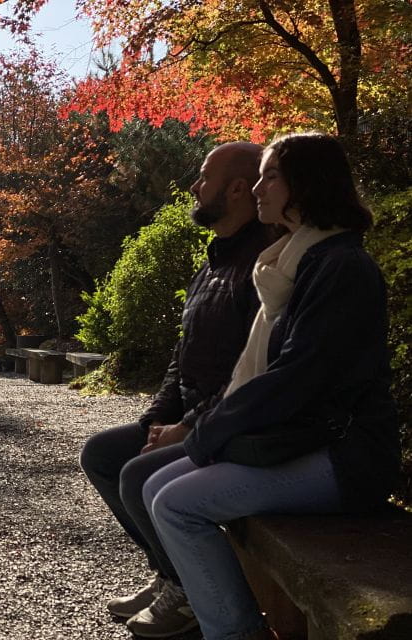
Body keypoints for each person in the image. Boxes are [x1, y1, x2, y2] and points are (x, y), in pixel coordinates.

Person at [142, 132, 400, 640]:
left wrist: (206, 434)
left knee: (175, 504)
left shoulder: (341, 267)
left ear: (307, 184)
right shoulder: (293, 260)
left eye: (271, 175)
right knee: (153, 485)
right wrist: (203, 432)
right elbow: (265, 373)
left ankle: (234, 632)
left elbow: (295, 378)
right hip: (304, 438)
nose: (258, 188)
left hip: (345, 456)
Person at [79, 142, 274, 638]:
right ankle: (173, 574)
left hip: (232, 424)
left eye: (204, 176)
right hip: (193, 418)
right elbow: (183, 355)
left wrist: (187, 427)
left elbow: (253, 371)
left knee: (138, 475)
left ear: (235, 188)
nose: (193, 186)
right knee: (103, 453)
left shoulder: (265, 264)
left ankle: (192, 592)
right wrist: (154, 419)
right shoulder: (212, 262)